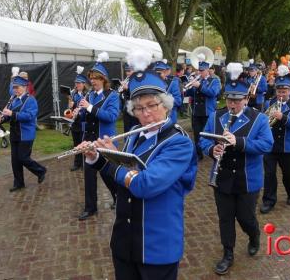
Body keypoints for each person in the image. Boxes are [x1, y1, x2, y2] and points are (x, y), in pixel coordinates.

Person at [78, 48, 197, 280]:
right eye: (139, 108)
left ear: (166, 105)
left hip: (157, 246)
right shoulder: (134, 133)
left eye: (153, 105)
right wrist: (99, 159)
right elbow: (122, 187)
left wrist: (114, 165)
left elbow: (145, 185)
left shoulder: (179, 143)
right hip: (125, 241)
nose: (147, 114)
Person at [199, 62, 273, 275]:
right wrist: (212, 150)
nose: (232, 104)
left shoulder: (258, 119)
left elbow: (266, 145)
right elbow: (203, 140)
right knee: (225, 218)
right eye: (229, 99)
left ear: (246, 99)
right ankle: (228, 253)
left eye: (237, 100)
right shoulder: (216, 117)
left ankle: (254, 234)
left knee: (245, 217)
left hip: (247, 178)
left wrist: (239, 142)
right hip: (221, 178)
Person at [77, 51, 119, 220]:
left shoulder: (112, 96)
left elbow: (111, 116)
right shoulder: (90, 95)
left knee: (106, 172)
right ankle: (90, 207)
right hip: (89, 139)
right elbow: (87, 116)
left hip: (103, 139)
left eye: (95, 77)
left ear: (103, 79)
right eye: (91, 78)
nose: (92, 81)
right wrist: (79, 113)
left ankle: (117, 195)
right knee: (88, 174)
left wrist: (89, 108)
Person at [260, 65, 290, 214]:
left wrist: (282, 117)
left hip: (287, 147)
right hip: (270, 146)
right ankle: (269, 200)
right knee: (269, 175)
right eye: (279, 91)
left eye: (284, 92)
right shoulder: (268, 103)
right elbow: (263, 122)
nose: (281, 94)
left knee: (288, 176)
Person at [2, 76, 47, 192]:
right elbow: (10, 115)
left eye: (17, 87)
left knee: (23, 158)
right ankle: (19, 183)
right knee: (15, 160)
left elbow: (29, 116)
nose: (15, 90)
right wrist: (2, 117)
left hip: (26, 134)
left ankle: (40, 170)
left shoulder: (30, 100)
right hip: (15, 133)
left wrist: (12, 113)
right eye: (14, 87)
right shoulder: (13, 99)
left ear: (24, 87)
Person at [184, 55, 220, 161]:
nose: (200, 72)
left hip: (207, 112)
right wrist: (189, 85)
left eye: (202, 71)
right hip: (196, 112)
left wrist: (199, 86)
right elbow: (190, 94)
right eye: (199, 70)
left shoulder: (214, 81)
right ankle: (198, 155)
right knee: (197, 134)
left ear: (207, 70)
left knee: (210, 134)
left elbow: (213, 93)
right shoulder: (197, 80)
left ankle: (213, 151)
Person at [69, 66, 89, 171]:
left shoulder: (88, 94)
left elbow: (89, 108)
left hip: (84, 122)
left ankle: (86, 162)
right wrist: (71, 106)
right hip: (75, 122)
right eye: (76, 83)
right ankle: (77, 163)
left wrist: (81, 111)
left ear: (84, 84)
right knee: (76, 143)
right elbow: (70, 109)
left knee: (84, 142)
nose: (77, 85)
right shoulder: (73, 94)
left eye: (79, 83)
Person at [153, 59, 182, 124]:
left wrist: (163, 99)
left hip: (169, 118)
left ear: (165, 72)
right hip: (155, 118)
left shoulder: (172, 83)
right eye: (155, 73)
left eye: (159, 73)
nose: (157, 75)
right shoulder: (152, 84)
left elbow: (178, 101)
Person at [120, 63, 139, 133]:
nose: (127, 73)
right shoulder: (127, 80)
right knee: (127, 130)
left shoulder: (137, 80)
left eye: (129, 71)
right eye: (126, 71)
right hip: (126, 108)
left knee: (134, 129)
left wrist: (127, 89)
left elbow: (137, 94)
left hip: (134, 109)